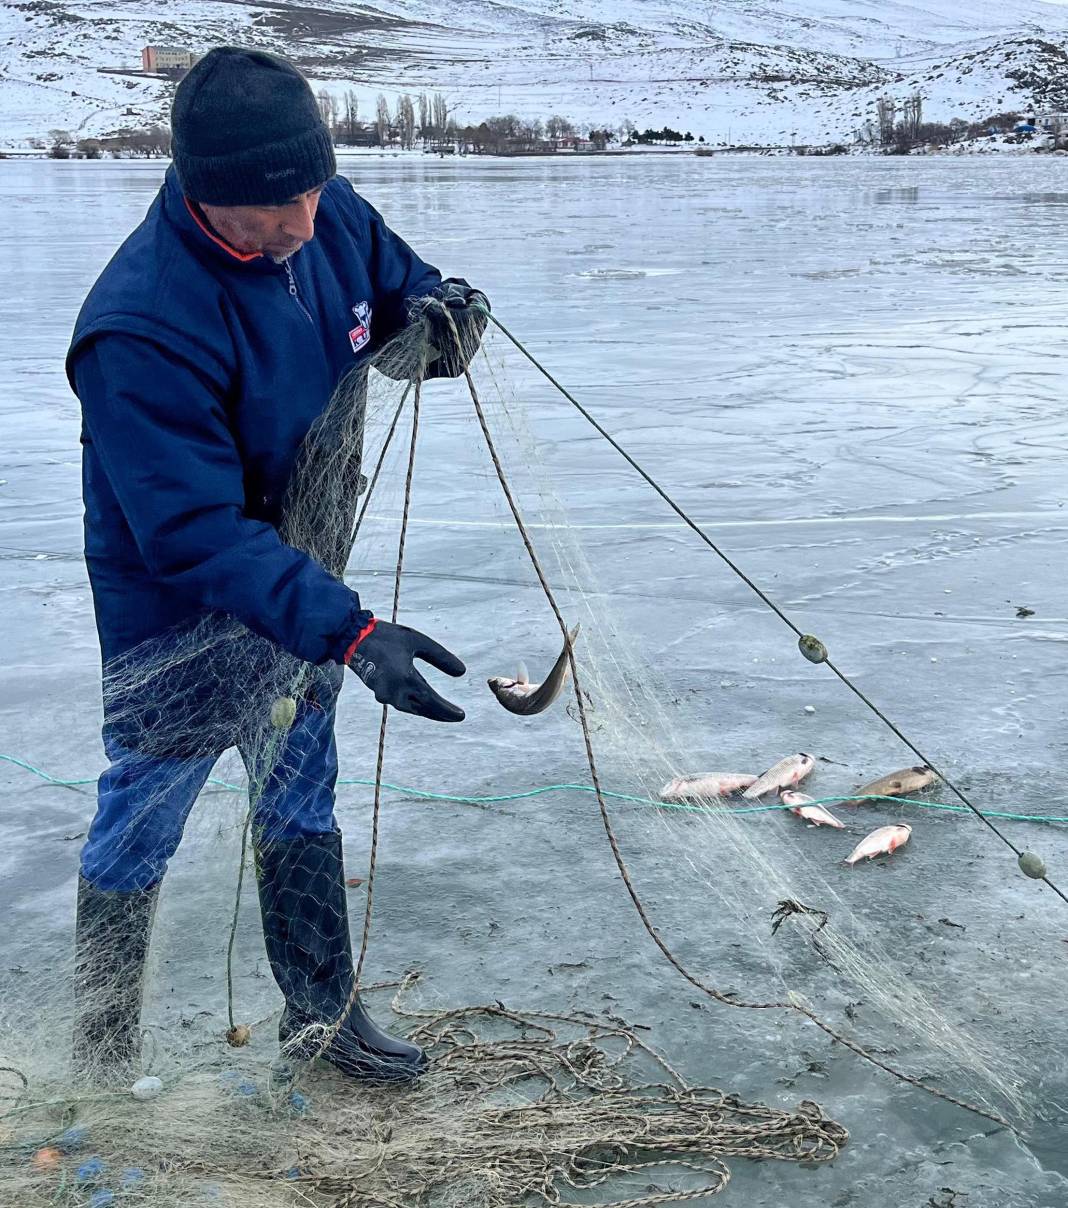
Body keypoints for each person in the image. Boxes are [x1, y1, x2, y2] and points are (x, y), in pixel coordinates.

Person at [65, 46, 489, 1084]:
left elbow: (405, 295)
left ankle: (322, 1013)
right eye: (275, 210)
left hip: (301, 589)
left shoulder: (320, 207)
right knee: (141, 824)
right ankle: (102, 1054)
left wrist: (446, 320)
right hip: (180, 619)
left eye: (313, 189)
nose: (305, 223)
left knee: (299, 797)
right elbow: (194, 534)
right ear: (208, 197)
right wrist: (347, 628)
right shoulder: (139, 326)